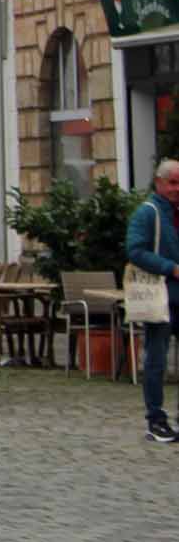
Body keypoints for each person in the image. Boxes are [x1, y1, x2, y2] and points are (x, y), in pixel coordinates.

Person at [127, 159, 179, 443]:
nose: (177, 188)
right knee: (156, 359)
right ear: (159, 182)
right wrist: (170, 267)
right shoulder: (148, 213)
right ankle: (155, 420)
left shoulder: (176, 211)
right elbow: (135, 250)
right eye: (172, 182)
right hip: (160, 297)